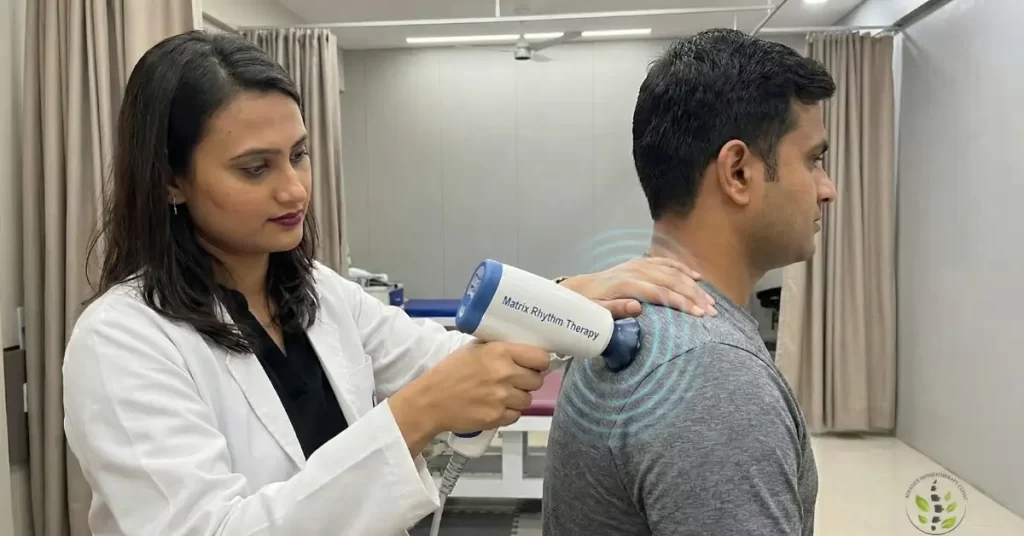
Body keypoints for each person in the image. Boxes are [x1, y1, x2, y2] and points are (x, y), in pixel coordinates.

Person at [60, 30, 716, 536]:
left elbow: (444, 358)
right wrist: (418, 414)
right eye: (254, 168)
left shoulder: (313, 293)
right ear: (172, 180)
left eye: (298, 154)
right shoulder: (121, 342)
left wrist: (575, 296)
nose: (294, 188)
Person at [542, 28, 837, 536]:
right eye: (813, 160)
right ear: (738, 172)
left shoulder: (629, 322)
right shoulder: (711, 373)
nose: (826, 189)